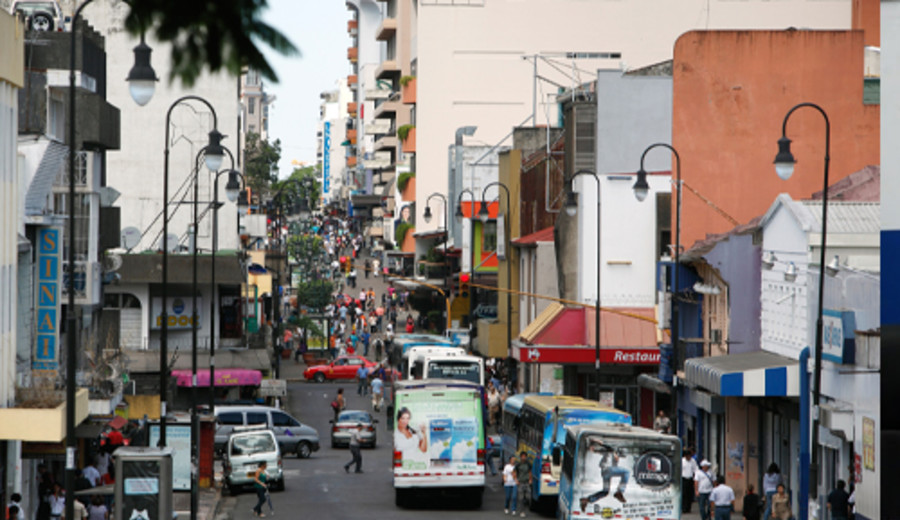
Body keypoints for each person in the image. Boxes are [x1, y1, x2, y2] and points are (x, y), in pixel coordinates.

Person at [580, 438, 629, 510]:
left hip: (605, 473)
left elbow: (600, 451)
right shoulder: (612, 451)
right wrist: (597, 441)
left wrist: (594, 450)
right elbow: (607, 447)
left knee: (605, 492)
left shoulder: (608, 453)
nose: (618, 458)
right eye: (620, 456)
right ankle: (620, 491)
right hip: (608, 469)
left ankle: (587, 500)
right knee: (626, 472)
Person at [514, 451, 533, 517]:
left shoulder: (528, 464)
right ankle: (522, 511)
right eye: (522, 456)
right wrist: (516, 480)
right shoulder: (518, 465)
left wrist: (530, 479)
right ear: (520, 457)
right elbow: (514, 472)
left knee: (528, 496)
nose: (523, 458)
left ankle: (526, 505)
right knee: (521, 498)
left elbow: (530, 472)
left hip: (527, 482)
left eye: (525, 456)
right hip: (521, 482)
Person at [683, 448, 699, 513]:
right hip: (683, 479)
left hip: (690, 479)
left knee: (689, 494)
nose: (688, 458)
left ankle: (688, 508)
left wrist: (696, 477)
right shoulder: (682, 461)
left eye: (689, 456)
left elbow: (696, 469)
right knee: (684, 494)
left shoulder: (693, 461)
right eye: (687, 456)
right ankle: (684, 508)